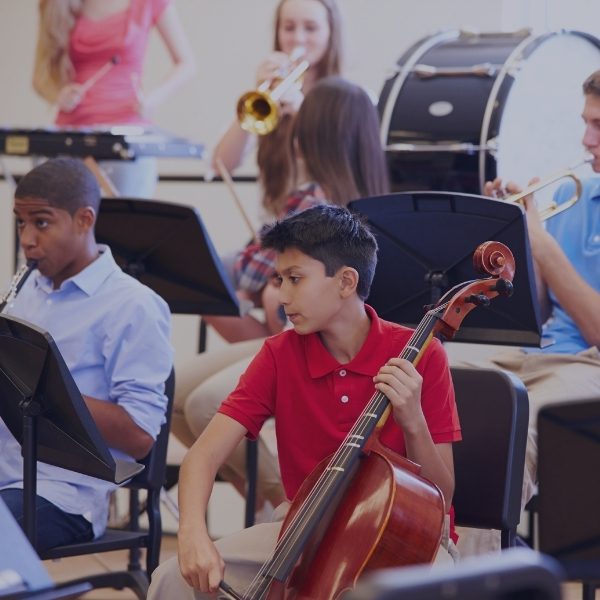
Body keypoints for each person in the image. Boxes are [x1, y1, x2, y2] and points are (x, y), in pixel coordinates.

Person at [147, 204, 462, 599]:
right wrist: (193, 534)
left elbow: (443, 493)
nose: (281, 295)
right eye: (280, 279)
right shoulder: (280, 355)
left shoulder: (422, 354)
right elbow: (203, 456)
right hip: (306, 527)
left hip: (409, 539)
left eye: (295, 279)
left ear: (346, 282)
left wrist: (412, 419)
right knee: (170, 579)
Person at [172, 76, 390, 514]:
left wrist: (269, 282)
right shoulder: (378, 195)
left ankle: (282, 502)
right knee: (178, 394)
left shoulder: (311, 199)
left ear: (308, 139)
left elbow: (250, 271)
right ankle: (272, 500)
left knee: (196, 404)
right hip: (307, 331)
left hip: (309, 337)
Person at [453, 69, 600, 557]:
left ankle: (458, 578)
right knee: (429, 392)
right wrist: (513, 241)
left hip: (589, 365)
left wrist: (543, 247)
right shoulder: (574, 193)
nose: (585, 140)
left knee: (504, 439)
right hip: (533, 353)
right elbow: (535, 310)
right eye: (585, 122)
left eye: (598, 125)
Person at [0, 157, 173, 553]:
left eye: (41, 223)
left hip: (62, 495)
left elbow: (141, 436)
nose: (27, 238)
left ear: (84, 220)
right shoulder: (25, 292)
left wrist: (40, 391)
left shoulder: (134, 305)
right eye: (20, 222)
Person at [33, 0, 196, 197]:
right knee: (64, 223)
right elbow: (39, 76)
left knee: (126, 223)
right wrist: (59, 95)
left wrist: (153, 100)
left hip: (127, 138)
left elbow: (186, 63)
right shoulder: (57, 5)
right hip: (71, 135)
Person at [212, 0, 343, 218]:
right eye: (289, 28)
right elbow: (222, 165)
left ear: (331, 32)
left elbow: (341, 171)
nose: (298, 39)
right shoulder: (273, 95)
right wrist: (257, 95)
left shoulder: (348, 99)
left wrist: (302, 113)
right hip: (272, 234)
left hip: (323, 238)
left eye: (310, 28)